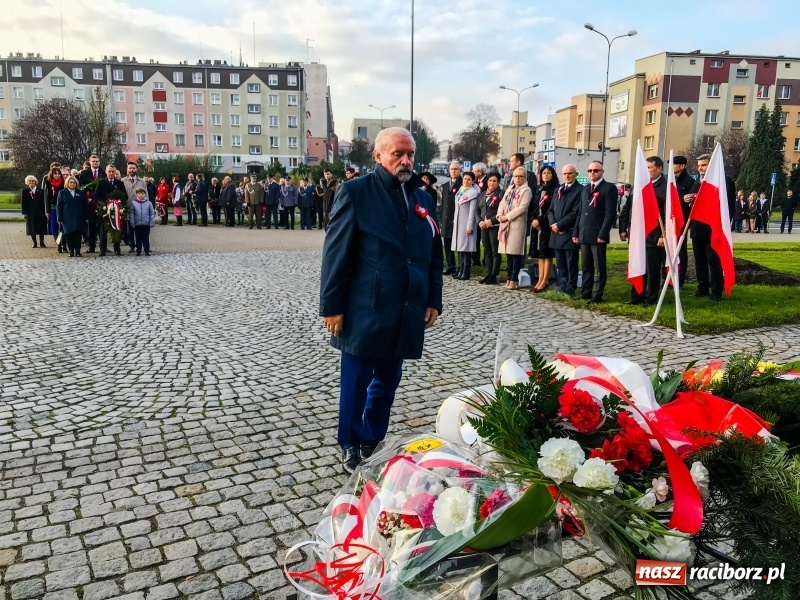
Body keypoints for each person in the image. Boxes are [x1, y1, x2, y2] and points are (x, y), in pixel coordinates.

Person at [320, 127, 443, 474]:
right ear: (378, 156)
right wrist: (332, 306)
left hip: (406, 306)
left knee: (389, 377)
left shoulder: (423, 198)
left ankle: (373, 438)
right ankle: (350, 444)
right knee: (357, 380)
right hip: (364, 307)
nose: (405, 161)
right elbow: (335, 253)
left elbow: (434, 252)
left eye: (410, 154)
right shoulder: (355, 193)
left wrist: (433, 297)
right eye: (397, 154)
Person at [685, 153, 734, 302]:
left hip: (713, 228)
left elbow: (729, 207)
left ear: (711, 165)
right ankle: (702, 287)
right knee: (699, 260)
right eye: (699, 166)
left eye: (704, 165)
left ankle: (716, 290)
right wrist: (685, 198)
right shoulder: (697, 182)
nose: (701, 168)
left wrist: (724, 226)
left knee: (714, 260)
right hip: (697, 228)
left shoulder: (725, 182)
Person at [619, 157, 667, 306]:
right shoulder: (639, 185)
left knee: (652, 269)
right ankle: (636, 296)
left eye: (650, 167)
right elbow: (627, 208)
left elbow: (667, 213)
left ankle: (651, 298)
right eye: (645, 167)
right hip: (637, 235)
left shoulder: (665, 187)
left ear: (659, 169)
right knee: (637, 266)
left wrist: (663, 235)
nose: (647, 171)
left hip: (653, 236)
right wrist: (623, 228)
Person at [574, 161, 618, 303]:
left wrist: (603, 233)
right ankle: (586, 291)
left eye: (595, 170)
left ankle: (598, 294)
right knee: (586, 265)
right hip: (584, 232)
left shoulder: (609, 188)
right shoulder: (585, 188)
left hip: (598, 234)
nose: (592, 173)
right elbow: (580, 212)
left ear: (602, 172)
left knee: (599, 266)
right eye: (590, 170)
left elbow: (609, 213)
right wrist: (576, 232)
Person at [547, 164, 582, 296]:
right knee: (560, 260)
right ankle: (561, 284)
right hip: (556, 231)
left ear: (576, 174)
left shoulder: (580, 190)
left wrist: (560, 225)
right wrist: (553, 224)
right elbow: (550, 210)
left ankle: (570, 287)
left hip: (569, 231)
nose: (567, 176)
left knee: (570, 261)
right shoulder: (558, 189)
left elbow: (575, 213)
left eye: (570, 173)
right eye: (565, 173)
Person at [496, 167, 532, 290]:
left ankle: (514, 279)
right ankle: (508, 278)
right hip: (505, 224)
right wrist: (499, 215)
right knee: (509, 255)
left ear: (525, 178)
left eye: (520, 176)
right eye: (516, 176)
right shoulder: (510, 189)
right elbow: (502, 202)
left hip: (516, 224)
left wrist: (507, 217)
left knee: (515, 254)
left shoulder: (526, 190)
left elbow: (522, 208)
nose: (517, 179)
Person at [529, 166, 559, 293]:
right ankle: (539, 279)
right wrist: (533, 220)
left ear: (553, 175)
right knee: (540, 254)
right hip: (536, 226)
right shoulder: (537, 189)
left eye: (549, 173)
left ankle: (545, 280)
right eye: (544, 173)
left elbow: (552, 209)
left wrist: (541, 221)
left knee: (546, 254)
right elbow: (531, 207)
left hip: (547, 225)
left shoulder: (555, 189)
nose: (546, 175)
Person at [475, 172, 503, 285]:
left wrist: (491, 220)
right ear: (487, 182)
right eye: (490, 180)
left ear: (498, 182)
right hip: (483, 226)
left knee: (495, 251)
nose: (492, 183)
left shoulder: (501, 194)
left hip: (494, 225)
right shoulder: (482, 194)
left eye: (494, 181)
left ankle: (494, 275)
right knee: (487, 251)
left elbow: (501, 211)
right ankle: (488, 272)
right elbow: (477, 209)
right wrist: (479, 221)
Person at [451, 171, 479, 280]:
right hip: (458, 223)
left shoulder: (473, 192)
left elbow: (472, 211)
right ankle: (460, 269)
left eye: (468, 179)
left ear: (472, 181)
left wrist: (470, 226)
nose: (466, 181)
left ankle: (466, 272)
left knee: (466, 249)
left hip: (466, 223)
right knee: (460, 248)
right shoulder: (460, 191)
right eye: (465, 179)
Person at [94, 165, 127, 256]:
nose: (111, 173)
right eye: (109, 171)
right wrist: (105, 203)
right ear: (106, 172)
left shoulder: (120, 183)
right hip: (105, 209)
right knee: (103, 231)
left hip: (117, 210)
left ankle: (117, 249)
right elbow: (96, 196)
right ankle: (103, 249)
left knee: (117, 228)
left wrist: (118, 202)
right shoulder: (101, 183)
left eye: (113, 172)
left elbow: (125, 196)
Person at [672, 156, 694, 286]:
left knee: (680, 250)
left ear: (682, 166)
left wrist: (681, 200)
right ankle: (667, 276)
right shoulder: (668, 179)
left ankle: (679, 279)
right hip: (668, 219)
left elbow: (689, 201)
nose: (672, 167)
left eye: (674, 164)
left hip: (681, 220)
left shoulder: (689, 181)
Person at [56, 175, 88, 257]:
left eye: (74, 183)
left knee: (78, 235)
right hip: (67, 217)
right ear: (67, 183)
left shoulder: (80, 193)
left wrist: (86, 217)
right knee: (69, 235)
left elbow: (85, 205)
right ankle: (71, 251)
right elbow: (59, 206)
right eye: (70, 182)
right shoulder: (62, 193)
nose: (72, 184)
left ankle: (77, 251)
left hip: (79, 217)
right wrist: (59, 217)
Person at [78, 155, 103, 252]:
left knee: (100, 225)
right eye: (93, 161)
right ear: (90, 162)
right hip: (88, 202)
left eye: (97, 161)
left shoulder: (103, 173)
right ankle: (91, 246)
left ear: (99, 162)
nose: (95, 163)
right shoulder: (84, 173)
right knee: (91, 226)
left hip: (99, 203)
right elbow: (81, 187)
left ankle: (102, 246)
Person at [440, 161, 462, 274]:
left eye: (456, 169)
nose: (453, 171)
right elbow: (443, 203)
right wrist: (441, 219)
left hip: (457, 217)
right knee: (447, 243)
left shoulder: (463, 183)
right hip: (446, 218)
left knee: (458, 243)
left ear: (460, 170)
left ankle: (460, 266)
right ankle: (450, 265)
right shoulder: (446, 185)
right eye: (452, 169)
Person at [123, 162, 147, 252]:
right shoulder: (123, 181)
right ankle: (131, 245)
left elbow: (146, 196)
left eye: (133, 168)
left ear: (136, 169)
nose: (132, 170)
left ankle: (140, 245)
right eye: (130, 168)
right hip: (128, 208)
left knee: (139, 229)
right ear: (127, 169)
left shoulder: (142, 181)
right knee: (130, 229)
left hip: (139, 209)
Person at [21, 175, 47, 248]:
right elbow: (23, 203)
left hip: (40, 212)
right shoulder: (25, 191)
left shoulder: (41, 191)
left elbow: (44, 202)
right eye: (30, 181)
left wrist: (46, 211)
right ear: (27, 182)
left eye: (33, 181)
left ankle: (42, 242)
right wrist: (24, 213)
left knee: (41, 227)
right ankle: (34, 242)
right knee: (32, 228)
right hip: (30, 213)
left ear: (35, 182)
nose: (31, 182)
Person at [43, 165, 65, 253]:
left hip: (62, 207)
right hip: (52, 208)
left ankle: (63, 244)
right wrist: (47, 211)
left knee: (62, 228)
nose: (57, 175)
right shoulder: (48, 183)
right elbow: (46, 198)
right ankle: (58, 244)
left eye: (58, 174)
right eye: (55, 174)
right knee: (54, 228)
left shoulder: (63, 183)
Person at [129, 187, 156, 255]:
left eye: (142, 193)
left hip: (146, 223)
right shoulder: (133, 203)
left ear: (145, 194)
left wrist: (151, 222)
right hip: (137, 224)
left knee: (145, 238)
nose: (141, 195)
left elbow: (151, 213)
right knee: (138, 238)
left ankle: (146, 250)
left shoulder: (148, 203)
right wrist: (132, 222)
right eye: (139, 193)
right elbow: (132, 213)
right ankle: (138, 250)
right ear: (136, 194)